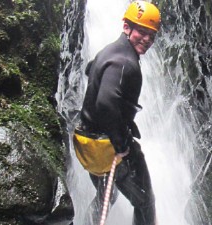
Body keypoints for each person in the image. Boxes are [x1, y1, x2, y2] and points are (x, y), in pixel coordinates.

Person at [72, 1, 161, 225]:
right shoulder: (125, 63)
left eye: (151, 35)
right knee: (145, 202)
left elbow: (90, 69)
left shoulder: (110, 51)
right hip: (107, 146)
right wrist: (121, 145)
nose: (147, 40)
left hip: (87, 142)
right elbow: (105, 103)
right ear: (126, 27)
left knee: (107, 195)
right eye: (142, 31)